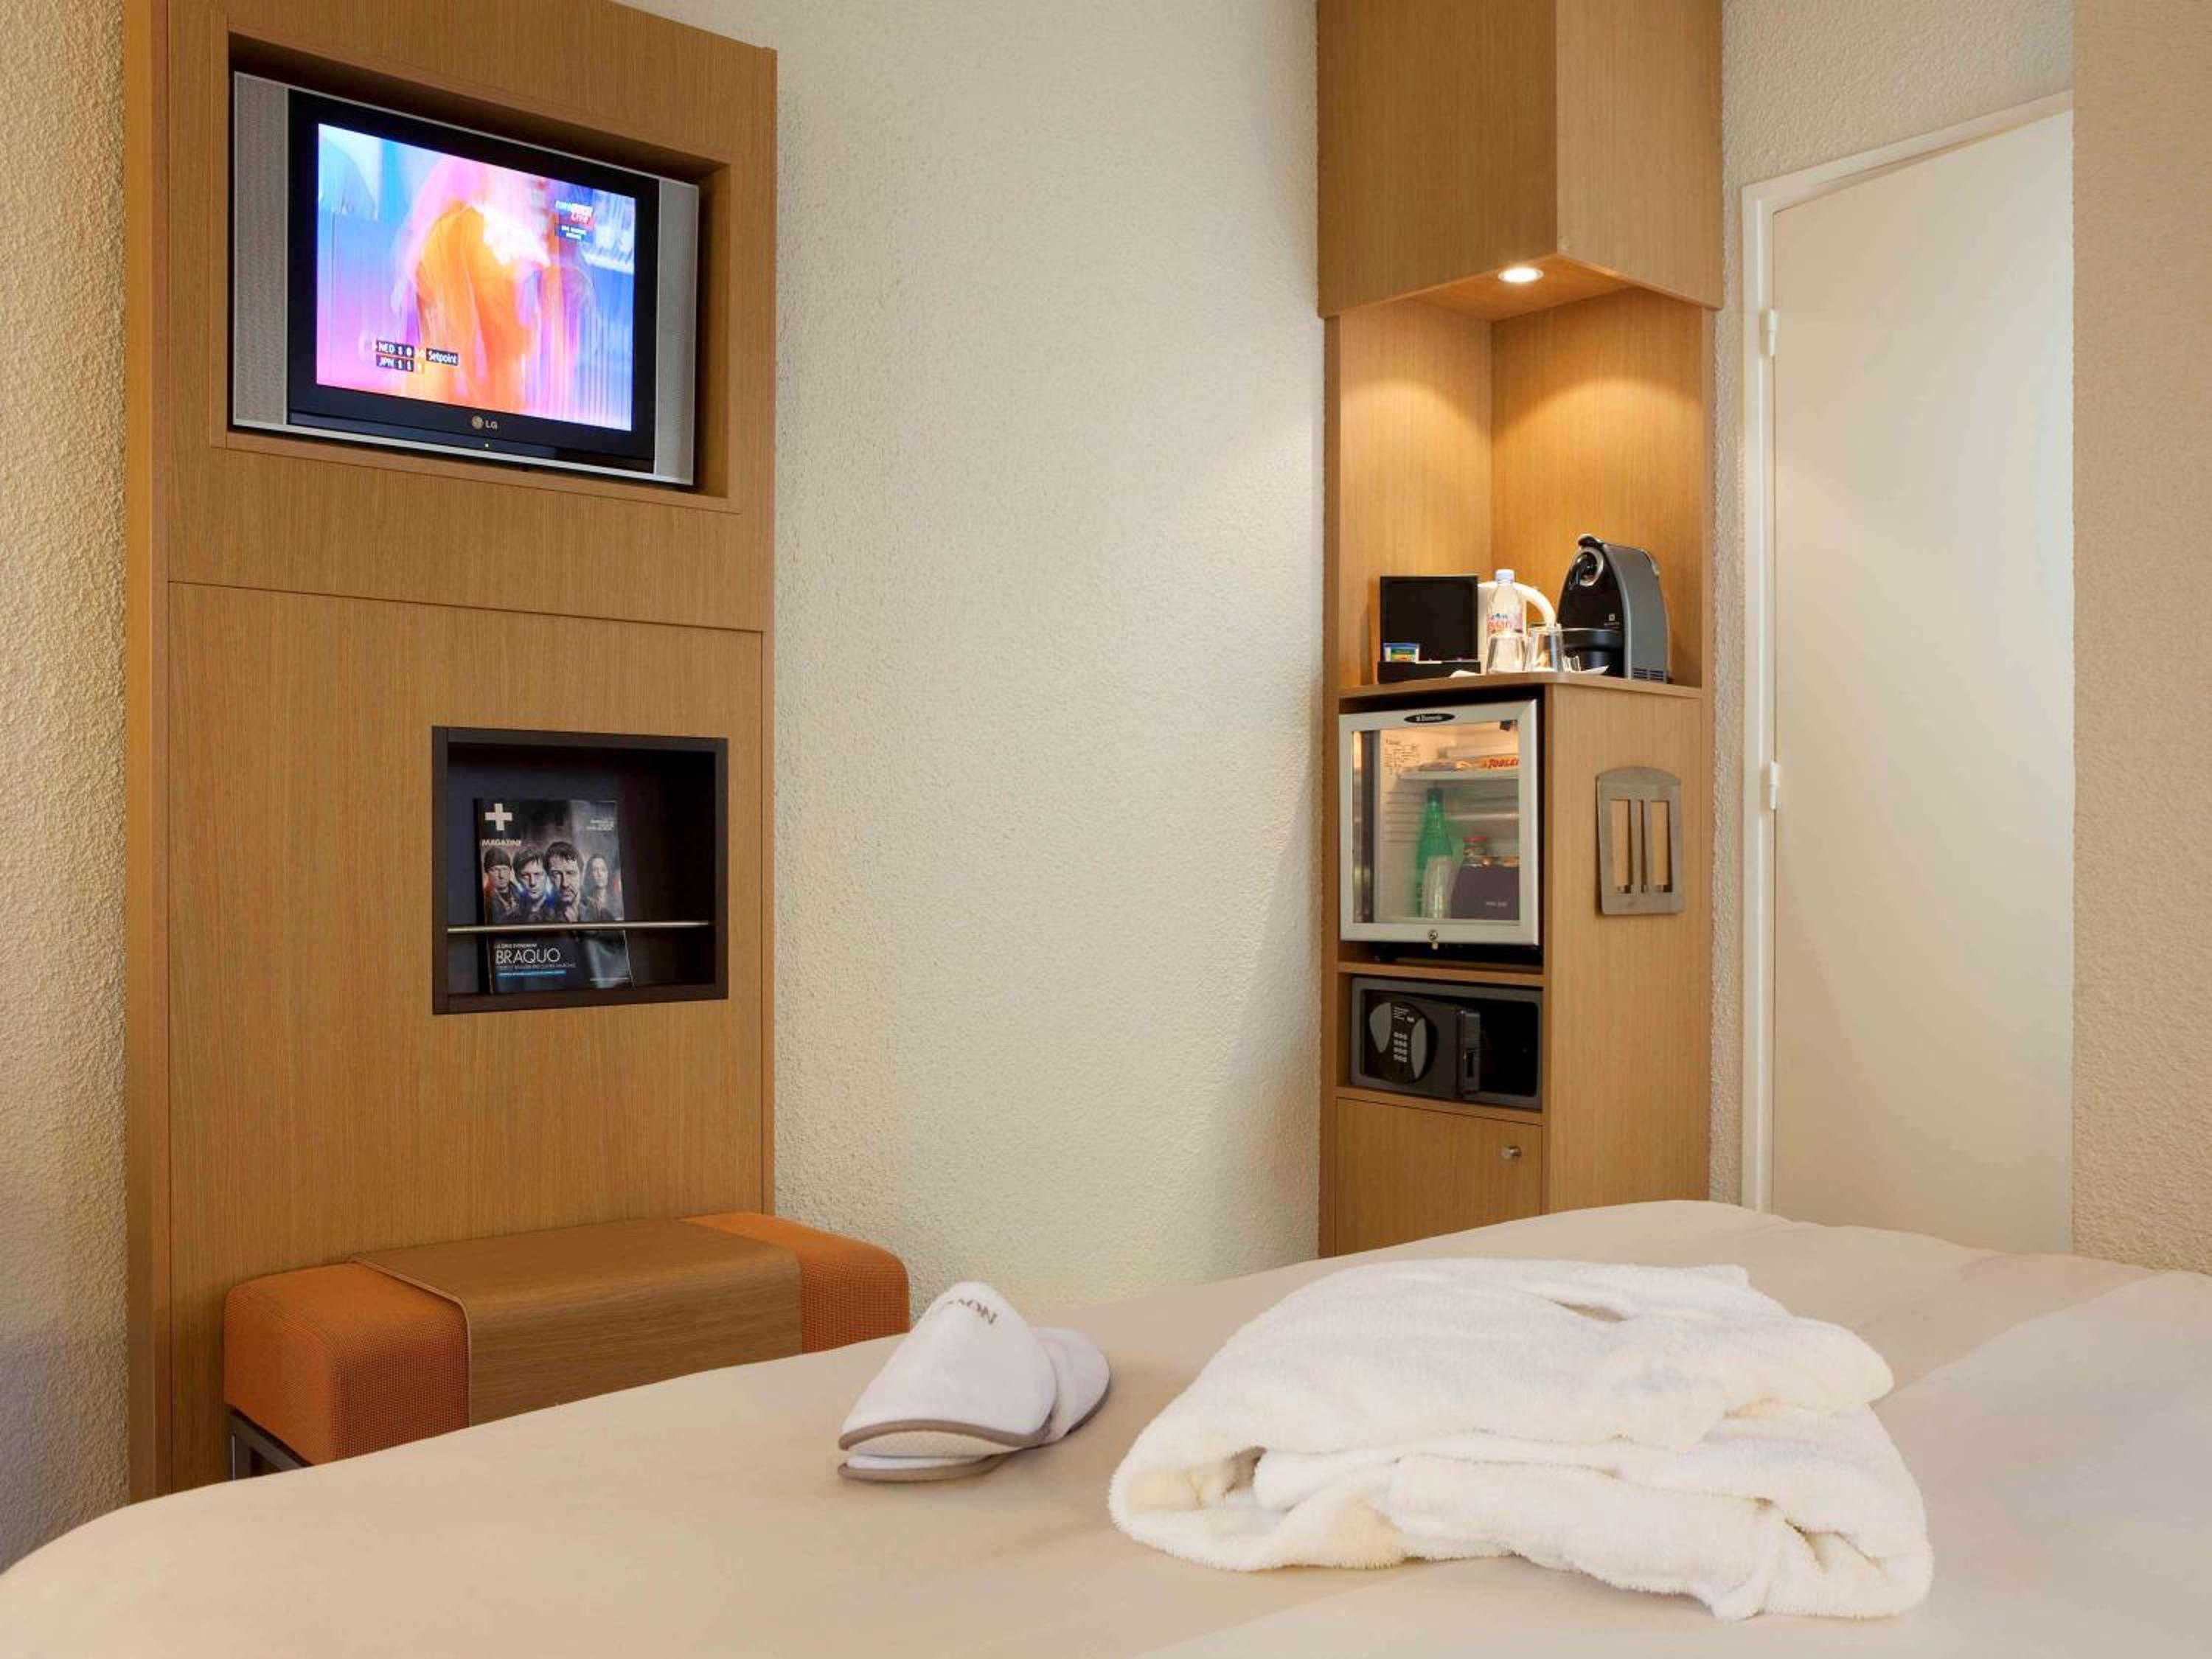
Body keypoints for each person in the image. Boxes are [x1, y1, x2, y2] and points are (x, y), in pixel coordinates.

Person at [542, 840, 585, 923]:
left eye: (571, 873)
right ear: (548, 877)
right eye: (557, 874)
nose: (565, 884)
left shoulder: (598, 911)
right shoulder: (539, 917)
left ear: (582, 875)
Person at [481, 847, 523, 923]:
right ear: (487, 872)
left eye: (505, 869)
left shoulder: (522, 896)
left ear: (510, 870)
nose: (501, 875)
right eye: (495, 870)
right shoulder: (483, 900)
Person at [512, 846, 554, 921]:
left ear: (547, 874)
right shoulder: (509, 918)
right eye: (525, 875)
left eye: (538, 874)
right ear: (517, 877)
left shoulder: (562, 914)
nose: (532, 882)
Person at [581, 852, 622, 922]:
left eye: (603, 870)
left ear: (608, 873)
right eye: (595, 870)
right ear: (589, 874)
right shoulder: (585, 901)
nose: (599, 874)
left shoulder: (617, 899)